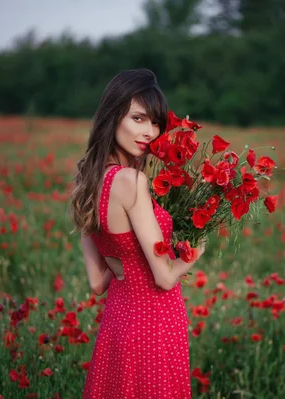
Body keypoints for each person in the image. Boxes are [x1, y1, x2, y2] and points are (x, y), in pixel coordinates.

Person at [69, 68, 206, 399]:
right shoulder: (131, 182)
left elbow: (98, 283)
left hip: (118, 325)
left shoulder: (84, 182)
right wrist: (196, 250)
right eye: (138, 118)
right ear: (113, 116)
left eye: (155, 122)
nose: (149, 131)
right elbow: (164, 277)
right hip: (154, 326)